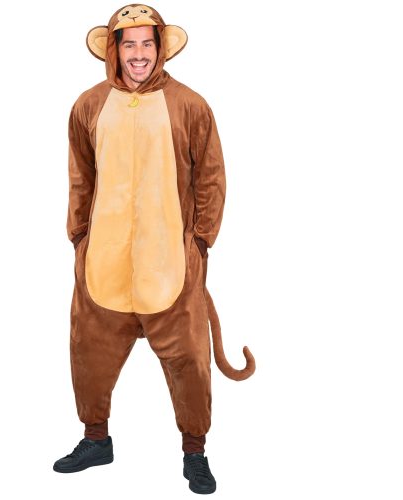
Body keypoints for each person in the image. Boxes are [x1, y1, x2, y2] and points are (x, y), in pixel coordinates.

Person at [53, 4, 255, 495]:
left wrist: (200, 242)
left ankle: (195, 452)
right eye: (129, 44)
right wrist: (79, 238)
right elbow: (81, 177)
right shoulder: (88, 105)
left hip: (171, 264)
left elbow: (211, 177)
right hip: (103, 264)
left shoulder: (190, 105)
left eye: (147, 43)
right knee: (87, 354)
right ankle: (96, 440)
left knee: (190, 362)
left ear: (160, 48)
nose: (139, 54)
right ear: (115, 50)